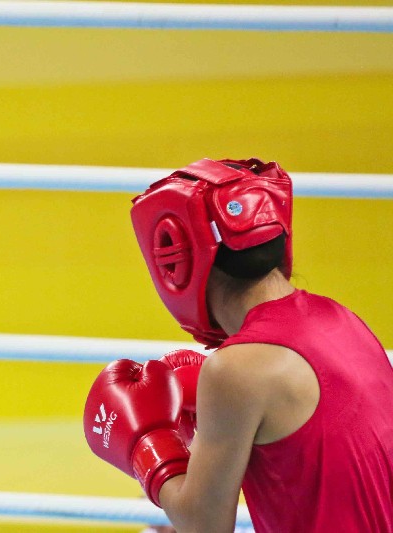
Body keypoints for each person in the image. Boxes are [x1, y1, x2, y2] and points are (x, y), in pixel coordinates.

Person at [83, 158, 393, 532]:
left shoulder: (237, 370)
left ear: (176, 261)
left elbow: (203, 525)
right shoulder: (340, 318)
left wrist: (148, 448)